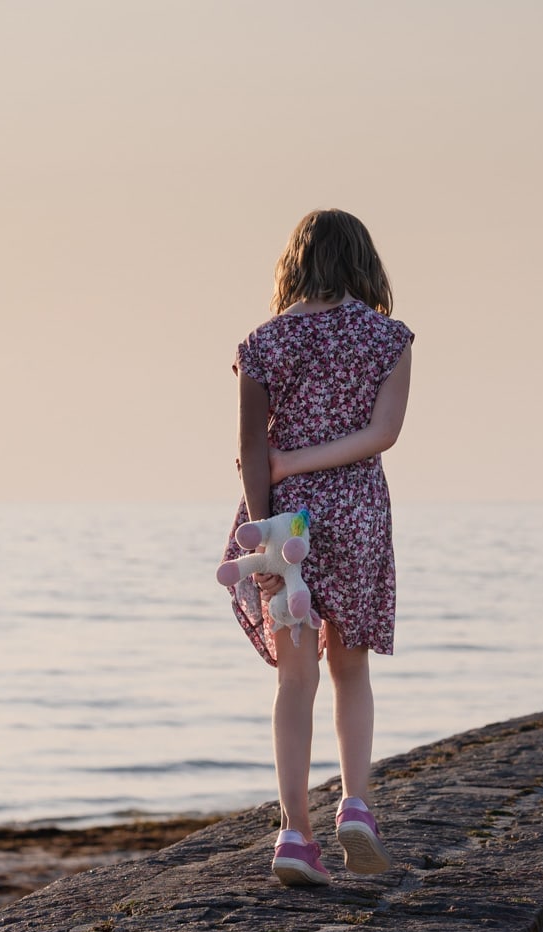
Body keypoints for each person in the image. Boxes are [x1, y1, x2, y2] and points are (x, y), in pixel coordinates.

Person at [222, 208, 413, 887]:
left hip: (284, 525)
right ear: (364, 262)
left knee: (294, 679)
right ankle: (355, 805)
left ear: (294, 264)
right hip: (358, 513)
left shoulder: (264, 343)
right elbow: (383, 434)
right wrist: (308, 460)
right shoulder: (387, 339)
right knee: (351, 670)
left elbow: (252, 449)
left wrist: (266, 504)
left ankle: (295, 835)